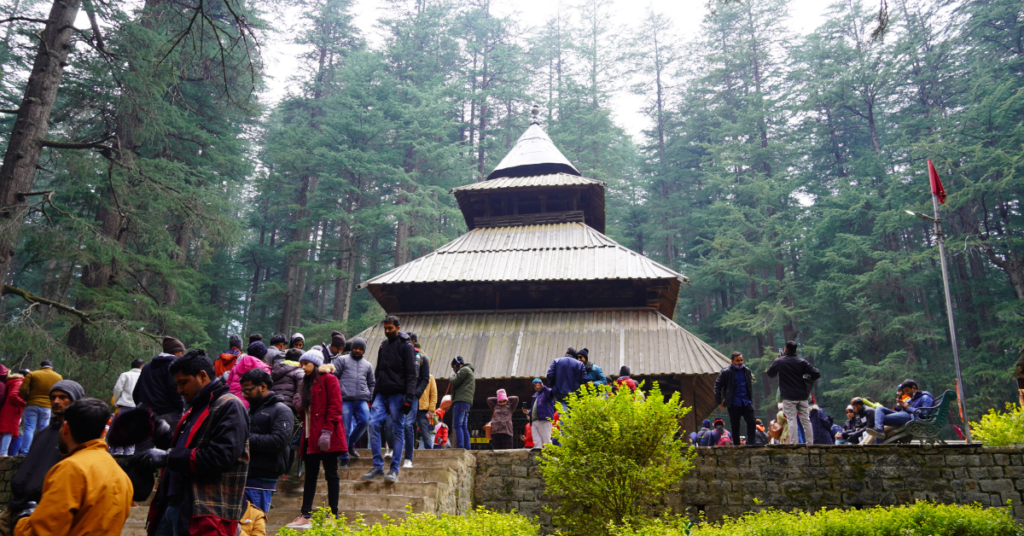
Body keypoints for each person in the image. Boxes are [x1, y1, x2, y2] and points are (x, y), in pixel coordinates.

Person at [141, 349, 249, 536]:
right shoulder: (195, 410)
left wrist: (168, 457)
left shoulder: (229, 405)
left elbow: (221, 456)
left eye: (183, 383)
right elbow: (184, 450)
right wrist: (159, 428)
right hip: (174, 506)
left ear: (202, 376)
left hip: (204, 512)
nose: (179, 390)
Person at [13, 398, 132, 536]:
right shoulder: (120, 474)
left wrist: (21, 522)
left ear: (65, 428)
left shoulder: (71, 469)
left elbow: (44, 531)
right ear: (102, 433)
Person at [0, 380, 84, 536]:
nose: (56, 401)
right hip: (16, 506)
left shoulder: (75, 436)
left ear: (75, 401)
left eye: (63, 397)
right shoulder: (43, 432)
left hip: (43, 510)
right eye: (53, 397)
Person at [286, 348, 347, 529]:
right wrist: (298, 406)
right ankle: (305, 514)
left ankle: (333, 514)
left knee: (331, 475)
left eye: (306, 364)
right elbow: (307, 412)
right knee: (310, 475)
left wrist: (327, 431)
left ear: (316, 364)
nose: (302, 367)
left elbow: (335, 408)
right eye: (302, 363)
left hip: (327, 436)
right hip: (310, 436)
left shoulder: (330, 379)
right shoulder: (305, 383)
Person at [362, 316, 416, 483]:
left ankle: (393, 471)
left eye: (390, 328)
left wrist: (409, 398)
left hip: (398, 395)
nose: (387, 331)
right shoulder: (383, 346)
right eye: (385, 328)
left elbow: (411, 375)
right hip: (382, 394)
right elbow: (378, 372)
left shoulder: (406, 347)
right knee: (373, 424)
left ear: (398, 328)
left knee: (398, 430)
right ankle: (378, 467)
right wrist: (374, 394)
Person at [239, 368, 293, 515]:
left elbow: (279, 441)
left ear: (262, 386)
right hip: (244, 477)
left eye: (248, 390)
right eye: (243, 391)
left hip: (263, 480)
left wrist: (244, 439)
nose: (244, 395)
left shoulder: (282, 410)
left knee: (253, 525)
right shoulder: (249, 411)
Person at [766, 341, 819, 445]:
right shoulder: (801, 362)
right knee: (806, 420)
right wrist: (806, 380)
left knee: (791, 420)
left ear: (785, 349)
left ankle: (794, 444)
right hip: (802, 395)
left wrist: (777, 360)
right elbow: (816, 373)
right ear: (796, 350)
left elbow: (770, 373)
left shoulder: (780, 361)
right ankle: (810, 443)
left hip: (788, 396)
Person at [330, 337, 374, 458]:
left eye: (360, 349)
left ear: (364, 350)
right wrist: (337, 394)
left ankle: (349, 445)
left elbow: (371, 383)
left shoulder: (368, 365)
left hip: (362, 399)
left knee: (365, 421)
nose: (358, 350)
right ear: (352, 348)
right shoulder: (341, 360)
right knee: (345, 428)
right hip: (345, 399)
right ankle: (344, 457)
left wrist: (369, 396)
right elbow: (333, 378)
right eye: (356, 348)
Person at [133, 336, 187, 426]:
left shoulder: (147, 367)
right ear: (176, 352)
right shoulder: (174, 366)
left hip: (146, 416)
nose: (182, 356)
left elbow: (136, 392)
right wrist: (180, 407)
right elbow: (174, 388)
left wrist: (143, 408)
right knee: (172, 440)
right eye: (182, 352)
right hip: (169, 414)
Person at [17, 361, 62, 455]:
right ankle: (40, 452)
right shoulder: (58, 377)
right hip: (47, 406)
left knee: (29, 428)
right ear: (51, 367)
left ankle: (25, 452)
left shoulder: (32, 374)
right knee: (43, 429)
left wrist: (27, 398)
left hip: (32, 404)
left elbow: (23, 388)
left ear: (40, 366)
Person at [714, 351, 757, 447]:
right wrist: (719, 402)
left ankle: (751, 443)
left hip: (746, 401)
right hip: (733, 402)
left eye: (741, 360)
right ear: (732, 361)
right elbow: (717, 386)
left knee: (752, 421)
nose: (740, 362)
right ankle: (736, 445)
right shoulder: (726, 372)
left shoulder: (747, 371)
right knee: (735, 424)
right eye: (737, 361)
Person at [868, 379, 934, 440]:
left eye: (907, 390)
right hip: (903, 414)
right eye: (905, 391)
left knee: (879, 419)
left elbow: (926, 415)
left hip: (910, 417)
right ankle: (879, 429)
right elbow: (902, 409)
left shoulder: (925, 397)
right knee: (879, 409)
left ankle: (878, 438)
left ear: (914, 388)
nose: (906, 393)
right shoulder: (911, 399)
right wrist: (901, 406)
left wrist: (908, 408)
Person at [403, 333, 431, 468]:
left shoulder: (421, 360)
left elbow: (432, 389)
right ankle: (397, 451)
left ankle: (421, 454)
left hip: (417, 400)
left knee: (414, 427)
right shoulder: (399, 356)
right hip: (399, 394)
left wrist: (417, 394)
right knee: (395, 425)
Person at [110, 358, 144, 455]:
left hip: (124, 406)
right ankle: (129, 453)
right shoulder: (143, 376)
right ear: (141, 366)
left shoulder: (125, 375)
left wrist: (117, 401)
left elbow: (117, 389)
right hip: (138, 408)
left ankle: (117, 452)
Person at [227, 341, 272, 409]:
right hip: (252, 405)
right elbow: (265, 391)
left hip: (232, 402)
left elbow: (227, 385)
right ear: (263, 355)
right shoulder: (264, 368)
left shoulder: (236, 366)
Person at [546, 348, 588, 414]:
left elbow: (550, 375)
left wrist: (553, 386)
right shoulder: (580, 364)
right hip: (575, 395)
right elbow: (584, 379)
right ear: (575, 356)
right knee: (574, 417)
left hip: (559, 394)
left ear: (566, 353)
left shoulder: (556, 361)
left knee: (563, 416)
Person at [448, 356, 475, 451]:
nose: (454, 369)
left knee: (457, 425)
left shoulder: (464, 370)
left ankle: (460, 448)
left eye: (454, 367)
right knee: (463, 425)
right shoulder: (469, 371)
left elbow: (455, 382)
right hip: (466, 403)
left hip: (460, 400)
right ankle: (467, 448)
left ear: (458, 365)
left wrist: (451, 376)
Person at [415, 350, 437, 451]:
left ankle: (429, 450)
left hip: (424, 408)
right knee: (409, 429)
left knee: (425, 431)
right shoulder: (413, 376)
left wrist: (431, 410)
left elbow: (434, 394)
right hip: (411, 406)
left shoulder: (430, 378)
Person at [271, 348, 304, 414]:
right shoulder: (299, 371)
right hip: (290, 409)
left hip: (273, 406)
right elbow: (300, 392)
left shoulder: (276, 369)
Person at [0, 370, 24, 457]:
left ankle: (3, 452)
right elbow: (13, 395)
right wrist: (23, 403)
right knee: (8, 431)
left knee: (5, 432)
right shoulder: (19, 382)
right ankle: (3, 453)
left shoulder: (12, 382)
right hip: (12, 410)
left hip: (8, 409)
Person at [528, 378, 556, 447]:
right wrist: (528, 412)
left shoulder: (548, 391)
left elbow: (551, 395)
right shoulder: (535, 395)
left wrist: (543, 387)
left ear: (542, 384)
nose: (537, 387)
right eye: (535, 386)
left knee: (546, 440)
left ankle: (549, 457)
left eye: (538, 384)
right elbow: (535, 408)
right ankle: (538, 456)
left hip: (544, 420)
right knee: (537, 441)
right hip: (534, 421)